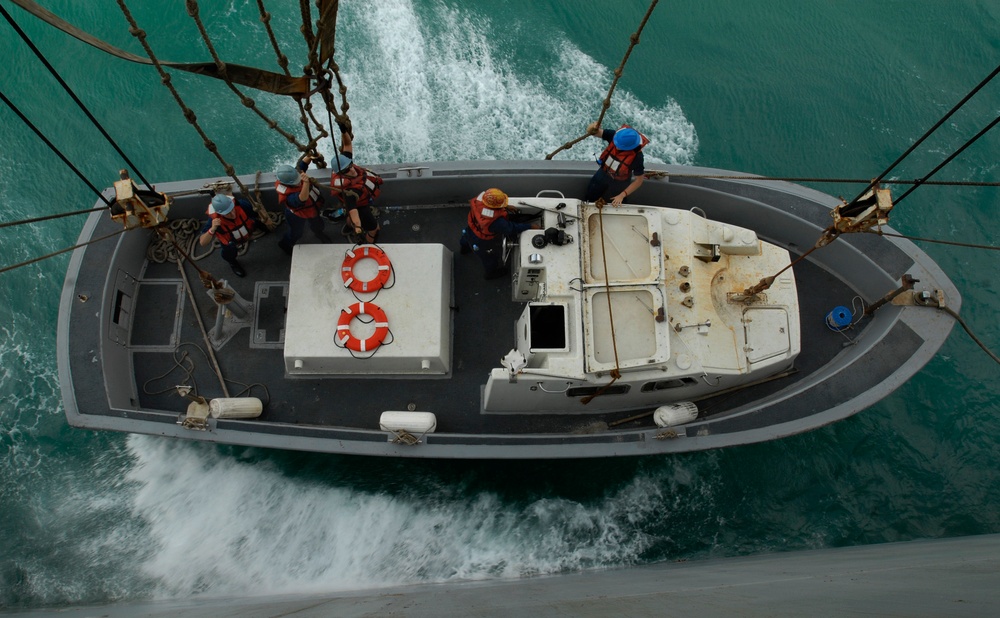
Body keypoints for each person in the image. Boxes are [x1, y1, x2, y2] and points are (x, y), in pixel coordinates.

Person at [459, 188, 536, 280]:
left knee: (466, 238)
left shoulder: (481, 200)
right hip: (482, 241)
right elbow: (511, 228)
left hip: (471, 229)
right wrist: (530, 226)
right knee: (488, 257)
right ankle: (491, 273)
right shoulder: (495, 222)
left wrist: (506, 207)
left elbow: (491, 207)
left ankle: (464, 249)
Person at [329, 126, 382, 244]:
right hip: (360, 207)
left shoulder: (344, 164)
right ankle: (370, 241)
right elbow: (354, 212)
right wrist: (358, 229)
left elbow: (347, 145)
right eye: (347, 170)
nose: (352, 170)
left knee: (350, 217)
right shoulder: (349, 192)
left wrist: (343, 131)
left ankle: (348, 227)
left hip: (363, 200)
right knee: (374, 228)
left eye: (351, 165)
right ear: (341, 174)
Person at [275, 154, 329, 255]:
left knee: (318, 224)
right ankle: (285, 244)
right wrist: (306, 183)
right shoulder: (289, 197)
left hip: (312, 210)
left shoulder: (295, 175)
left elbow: (303, 164)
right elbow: (302, 198)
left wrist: (311, 156)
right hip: (296, 215)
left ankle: (319, 233)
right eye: (296, 182)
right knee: (296, 232)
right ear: (287, 184)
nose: (299, 182)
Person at [585, 122, 650, 205]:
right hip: (603, 174)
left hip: (619, 183)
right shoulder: (615, 136)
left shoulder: (637, 158)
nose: (616, 145)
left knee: (615, 204)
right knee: (590, 196)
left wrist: (622, 195)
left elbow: (639, 180)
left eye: (619, 145)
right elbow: (596, 133)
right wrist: (592, 128)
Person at [199, 193, 258, 278]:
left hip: (247, 229)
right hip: (231, 241)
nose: (232, 214)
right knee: (228, 253)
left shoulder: (241, 205)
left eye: (232, 209)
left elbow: (254, 212)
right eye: (227, 213)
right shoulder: (214, 220)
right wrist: (212, 229)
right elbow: (202, 242)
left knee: (256, 222)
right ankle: (233, 263)